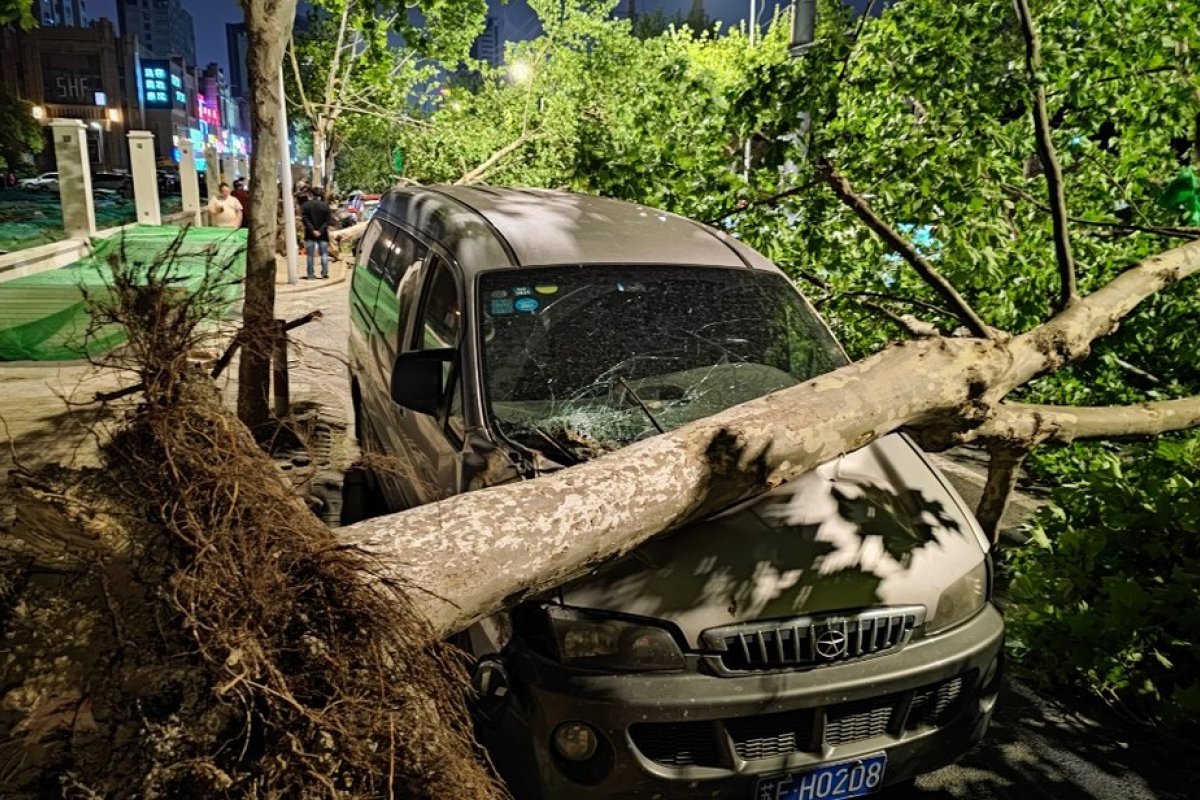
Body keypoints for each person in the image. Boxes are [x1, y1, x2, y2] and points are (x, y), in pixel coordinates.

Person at [301, 186, 332, 279]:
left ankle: (310, 274)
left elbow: (305, 219)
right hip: (322, 234)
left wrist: (312, 230)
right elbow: (328, 221)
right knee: (324, 254)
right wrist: (320, 230)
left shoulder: (306, 205)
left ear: (311, 194)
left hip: (310, 234)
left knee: (310, 255)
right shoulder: (325, 206)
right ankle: (324, 272)